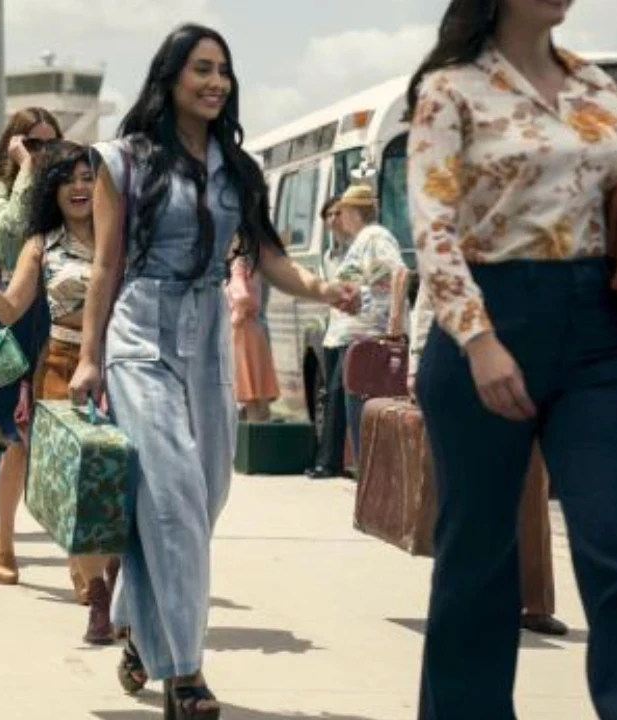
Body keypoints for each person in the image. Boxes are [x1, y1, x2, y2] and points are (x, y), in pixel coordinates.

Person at [68, 24, 356, 719]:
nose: (216, 82)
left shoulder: (238, 167)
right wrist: (88, 356)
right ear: (169, 77)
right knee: (171, 498)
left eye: (223, 70)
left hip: (207, 338)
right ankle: (185, 673)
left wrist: (322, 289)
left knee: (203, 498)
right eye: (201, 69)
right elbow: (106, 265)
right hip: (140, 333)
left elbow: (267, 255)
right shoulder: (122, 161)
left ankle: (140, 621)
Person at [407, 1, 617, 716]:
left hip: (597, 329)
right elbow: (433, 227)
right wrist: (479, 341)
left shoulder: (595, 87)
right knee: (478, 561)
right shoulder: (450, 89)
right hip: (488, 317)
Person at [0, 140, 118, 644]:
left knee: (124, 481)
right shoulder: (40, 245)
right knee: (80, 485)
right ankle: (98, 595)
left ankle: (113, 578)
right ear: (52, 189)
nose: (79, 187)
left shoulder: (122, 236)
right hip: (62, 367)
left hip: (123, 366)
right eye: (67, 179)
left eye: (87, 177)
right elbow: (8, 309)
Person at [409, 284, 568, 637]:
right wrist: (416, 363)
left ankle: (535, 603)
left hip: (531, 368)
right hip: (461, 368)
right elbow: (429, 301)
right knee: (469, 495)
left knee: (531, 491)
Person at [0, 108, 65, 590]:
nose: (44, 152)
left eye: (51, 143)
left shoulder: (68, 184)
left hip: (64, 308)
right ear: (14, 144)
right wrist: (27, 168)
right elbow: (11, 228)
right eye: (33, 143)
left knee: (64, 432)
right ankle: (4, 540)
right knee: (18, 439)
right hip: (17, 310)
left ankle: (80, 559)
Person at [328, 184, 408, 460]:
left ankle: (372, 478)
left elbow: (399, 273)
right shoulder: (363, 240)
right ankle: (367, 477)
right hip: (357, 337)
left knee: (364, 418)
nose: (338, 219)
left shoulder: (375, 237)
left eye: (340, 212)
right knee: (357, 418)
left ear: (352, 212)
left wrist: (394, 324)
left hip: (370, 339)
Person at [307, 196, 348, 478]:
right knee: (332, 396)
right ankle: (328, 458)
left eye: (338, 213)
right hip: (333, 332)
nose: (333, 219)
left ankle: (329, 462)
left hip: (351, 332)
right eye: (329, 215)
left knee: (337, 392)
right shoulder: (328, 256)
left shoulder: (359, 249)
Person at [226, 255, 279, 421]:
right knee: (258, 391)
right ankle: (261, 432)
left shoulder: (238, 264)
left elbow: (241, 296)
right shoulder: (254, 265)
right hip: (255, 329)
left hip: (242, 331)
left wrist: (234, 318)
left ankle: (251, 433)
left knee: (249, 393)